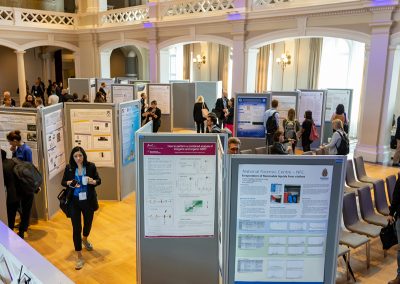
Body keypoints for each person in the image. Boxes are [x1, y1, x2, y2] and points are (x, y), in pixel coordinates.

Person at [61, 147, 101, 270]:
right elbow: (63, 182)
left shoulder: (91, 166)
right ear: (72, 157)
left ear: (83, 156)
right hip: (74, 201)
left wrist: (92, 181)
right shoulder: (69, 168)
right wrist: (70, 183)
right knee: (76, 228)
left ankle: (85, 238)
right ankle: (79, 256)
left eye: (80, 155)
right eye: (75, 156)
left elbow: (99, 180)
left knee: (88, 223)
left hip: (88, 201)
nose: (78, 158)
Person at [1, 149, 34, 239]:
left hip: (14, 194)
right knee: (25, 212)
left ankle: (9, 234)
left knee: (11, 215)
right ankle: (22, 232)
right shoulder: (15, 160)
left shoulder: (2, 167)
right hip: (27, 190)